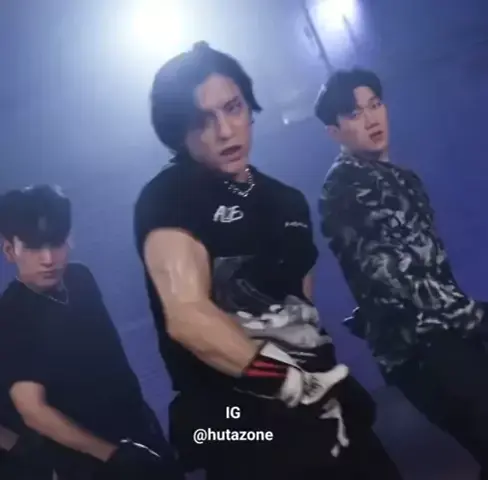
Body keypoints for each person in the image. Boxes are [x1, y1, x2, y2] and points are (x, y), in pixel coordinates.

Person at [133, 42, 402, 480]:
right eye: (203, 120)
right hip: (242, 426)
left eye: (233, 108)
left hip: (325, 412)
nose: (225, 130)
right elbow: (187, 318)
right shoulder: (169, 196)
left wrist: (325, 377)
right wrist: (292, 381)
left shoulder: (286, 201)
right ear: (178, 130)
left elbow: (303, 309)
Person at [316, 68, 488, 479]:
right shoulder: (344, 188)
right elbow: (394, 278)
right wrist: (475, 316)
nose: (371, 118)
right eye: (355, 113)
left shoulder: (404, 179)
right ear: (334, 131)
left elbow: (429, 269)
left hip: (452, 334)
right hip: (422, 350)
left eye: (375, 105)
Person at [0, 185, 184, 480]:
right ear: (10, 250)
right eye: (33, 247)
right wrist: (114, 456)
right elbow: (33, 410)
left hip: (140, 433)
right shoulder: (11, 314)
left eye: (56, 242)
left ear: (70, 238)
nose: (48, 259)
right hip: (91, 462)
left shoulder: (80, 278)